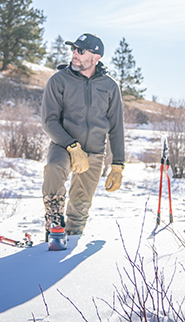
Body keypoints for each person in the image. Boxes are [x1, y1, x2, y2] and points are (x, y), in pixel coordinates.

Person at [41, 33, 125, 240]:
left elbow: (116, 126)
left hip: (95, 151)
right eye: (73, 49)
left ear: (96, 57)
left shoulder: (109, 86)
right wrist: (71, 146)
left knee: (81, 204)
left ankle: (74, 235)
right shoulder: (59, 80)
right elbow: (49, 120)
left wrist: (118, 164)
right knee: (53, 168)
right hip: (63, 146)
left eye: (80, 50)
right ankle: (54, 224)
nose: (74, 54)